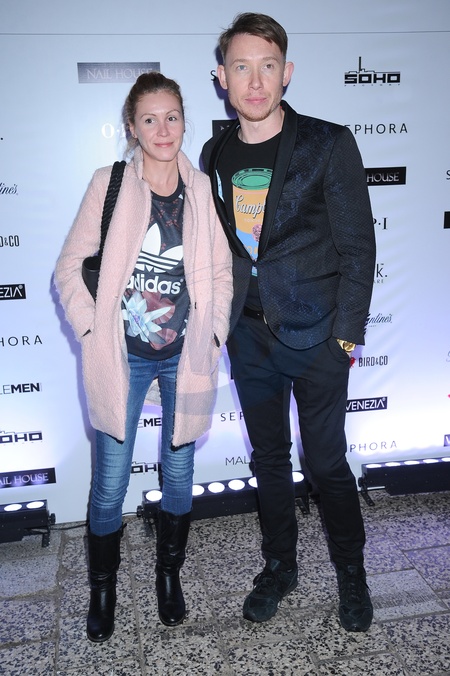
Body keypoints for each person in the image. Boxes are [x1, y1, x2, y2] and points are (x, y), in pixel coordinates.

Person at [202, 13, 376, 632]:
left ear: (287, 72)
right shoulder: (214, 152)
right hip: (249, 337)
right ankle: (280, 566)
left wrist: (345, 336)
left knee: (326, 464)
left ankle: (352, 575)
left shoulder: (328, 143)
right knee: (269, 460)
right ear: (222, 78)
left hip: (319, 335)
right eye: (242, 67)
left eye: (267, 66)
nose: (255, 81)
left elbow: (358, 247)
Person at [55, 71, 232, 642]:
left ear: (184, 121)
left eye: (172, 117)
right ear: (131, 127)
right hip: (122, 358)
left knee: (179, 474)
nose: (162, 129)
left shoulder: (200, 188)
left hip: (187, 356)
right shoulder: (109, 184)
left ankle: (168, 577)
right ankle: (102, 589)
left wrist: (212, 335)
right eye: (149, 119)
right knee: (110, 482)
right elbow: (68, 268)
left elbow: (221, 272)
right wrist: (91, 330)